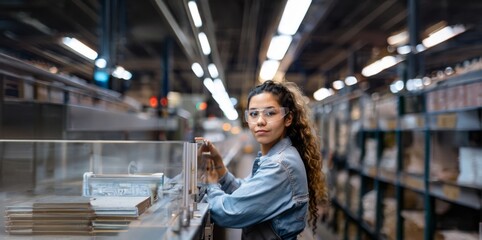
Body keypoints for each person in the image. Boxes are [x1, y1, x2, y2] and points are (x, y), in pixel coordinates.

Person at [199, 80, 328, 239]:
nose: (260, 121)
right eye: (253, 114)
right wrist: (220, 167)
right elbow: (247, 192)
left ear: (288, 119)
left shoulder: (280, 165)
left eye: (270, 113)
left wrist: (211, 185)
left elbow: (229, 213)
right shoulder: (272, 157)